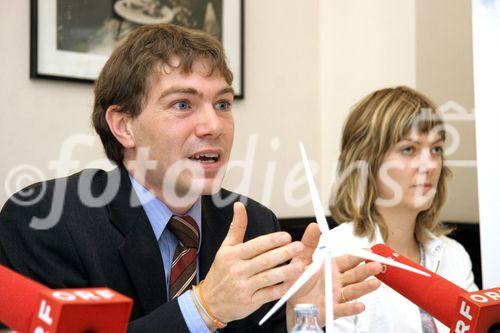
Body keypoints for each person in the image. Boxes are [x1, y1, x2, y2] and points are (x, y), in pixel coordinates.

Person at [0, 24, 382, 332]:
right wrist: (203, 308)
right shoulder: (47, 220)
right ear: (123, 126)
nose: (214, 125)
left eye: (222, 104)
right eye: (182, 104)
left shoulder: (254, 225)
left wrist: (300, 318)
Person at [328, 86, 478, 333]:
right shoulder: (336, 253)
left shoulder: (455, 256)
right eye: (409, 149)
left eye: (436, 149)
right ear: (366, 162)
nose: (429, 164)